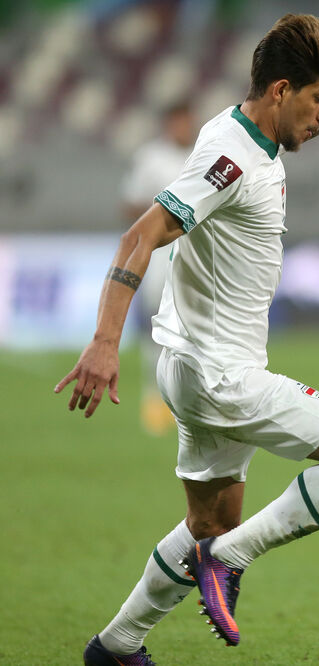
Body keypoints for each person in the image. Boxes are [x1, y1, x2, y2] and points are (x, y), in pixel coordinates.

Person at [55, 11, 319, 665]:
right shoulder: (230, 159)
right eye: (316, 97)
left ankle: (116, 647)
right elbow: (140, 235)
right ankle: (226, 561)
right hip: (222, 373)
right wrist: (106, 341)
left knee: (209, 522)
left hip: (188, 360)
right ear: (281, 90)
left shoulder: (247, 131)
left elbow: (311, 120)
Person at [120, 100, 197, 436]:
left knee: (192, 330)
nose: (183, 127)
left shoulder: (204, 154)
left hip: (196, 257)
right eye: (178, 121)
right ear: (169, 123)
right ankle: (154, 400)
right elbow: (130, 204)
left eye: (187, 121)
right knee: (157, 329)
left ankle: (189, 401)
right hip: (160, 257)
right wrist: (156, 224)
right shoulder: (152, 158)